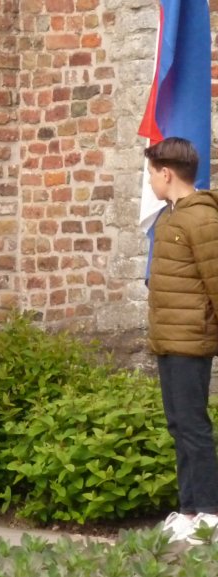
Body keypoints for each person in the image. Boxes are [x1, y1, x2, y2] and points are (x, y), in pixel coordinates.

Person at [144, 137, 218, 544]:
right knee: (179, 425)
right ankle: (189, 511)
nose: (151, 180)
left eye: (152, 173)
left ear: (166, 173)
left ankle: (208, 512)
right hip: (169, 341)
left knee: (193, 427)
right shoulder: (169, 217)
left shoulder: (201, 219)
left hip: (191, 341)